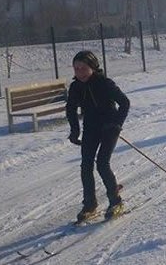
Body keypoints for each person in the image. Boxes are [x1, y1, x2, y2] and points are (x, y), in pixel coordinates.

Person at [66, 51, 130, 222]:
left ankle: (116, 201)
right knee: (86, 165)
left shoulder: (104, 83)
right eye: (76, 68)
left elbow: (124, 102)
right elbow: (71, 110)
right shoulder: (75, 87)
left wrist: (117, 124)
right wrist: (74, 131)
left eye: (83, 68)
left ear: (93, 67)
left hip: (109, 127)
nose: (79, 72)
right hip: (91, 129)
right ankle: (90, 204)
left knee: (102, 163)